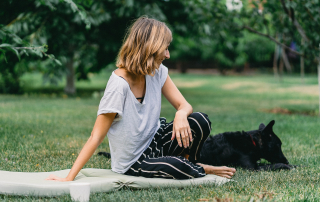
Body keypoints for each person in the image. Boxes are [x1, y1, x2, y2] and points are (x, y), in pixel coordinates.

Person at [46, 16, 236, 181]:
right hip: (134, 161)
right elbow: (96, 136)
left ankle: (191, 163)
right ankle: (199, 167)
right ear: (150, 48)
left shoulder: (157, 72)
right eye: (165, 48)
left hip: (157, 139)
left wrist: (180, 114)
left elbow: (184, 105)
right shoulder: (119, 86)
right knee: (178, 167)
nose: (168, 55)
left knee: (199, 120)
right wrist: (69, 177)